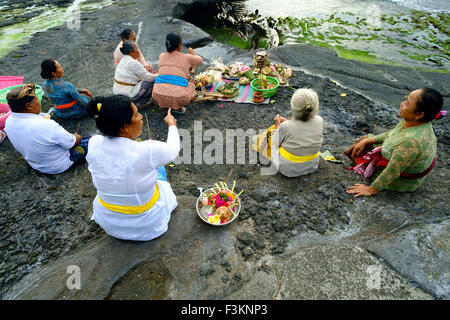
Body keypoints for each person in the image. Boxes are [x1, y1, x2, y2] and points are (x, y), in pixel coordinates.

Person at [85, 94, 180, 241]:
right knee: (159, 170)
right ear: (125, 126)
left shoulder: (93, 143)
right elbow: (173, 149)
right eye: (137, 115)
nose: (141, 117)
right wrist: (172, 125)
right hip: (147, 225)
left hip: (109, 222)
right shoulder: (147, 150)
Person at [345, 88, 444, 197]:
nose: (401, 104)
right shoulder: (416, 122)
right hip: (402, 156)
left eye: (407, 103)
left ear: (419, 114)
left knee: (361, 150)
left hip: (400, 179)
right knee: (364, 140)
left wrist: (371, 189)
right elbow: (393, 133)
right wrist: (368, 140)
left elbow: (393, 171)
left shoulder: (411, 142)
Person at [4, 84, 90, 174]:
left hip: (36, 164)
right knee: (94, 139)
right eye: (37, 99)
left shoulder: (9, 121)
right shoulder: (46, 125)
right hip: (58, 165)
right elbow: (71, 143)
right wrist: (76, 137)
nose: (39, 102)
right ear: (28, 106)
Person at [252, 88, 324, 177]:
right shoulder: (320, 120)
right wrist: (286, 122)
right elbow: (302, 129)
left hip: (288, 170)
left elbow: (275, 142)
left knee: (271, 132)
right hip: (312, 166)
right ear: (315, 107)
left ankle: (259, 140)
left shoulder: (286, 126)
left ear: (293, 108)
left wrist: (279, 126)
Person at [152, 32, 203, 113]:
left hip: (157, 95)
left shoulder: (161, 56)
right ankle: (178, 107)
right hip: (180, 98)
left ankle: (165, 104)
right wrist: (193, 54)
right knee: (191, 82)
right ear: (180, 45)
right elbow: (200, 60)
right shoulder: (187, 57)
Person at [113, 40, 158, 108]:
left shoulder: (124, 59)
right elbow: (149, 78)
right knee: (151, 83)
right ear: (131, 52)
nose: (138, 51)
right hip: (127, 95)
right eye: (137, 49)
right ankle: (141, 102)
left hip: (117, 93)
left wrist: (144, 68)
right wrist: (159, 74)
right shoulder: (133, 62)